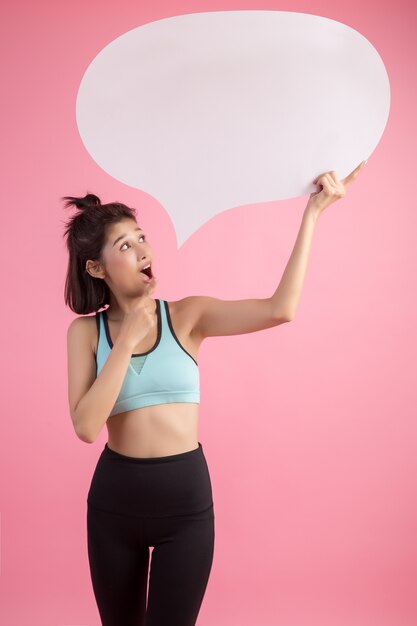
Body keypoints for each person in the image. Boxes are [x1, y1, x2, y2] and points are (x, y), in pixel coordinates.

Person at [63, 161, 366, 626]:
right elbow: (85, 427)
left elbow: (280, 309)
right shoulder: (86, 334)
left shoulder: (188, 316)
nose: (143, 249)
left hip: (184, 506)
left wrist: (313, 215)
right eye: (125, 245)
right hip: (113, 505)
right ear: (95, 267)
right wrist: (124, 342)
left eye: (142, 237)